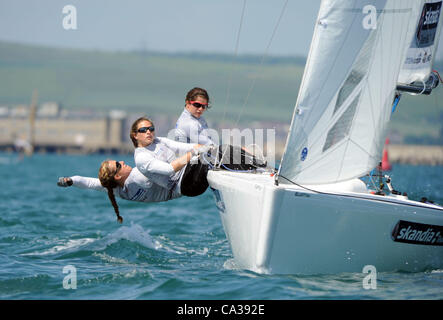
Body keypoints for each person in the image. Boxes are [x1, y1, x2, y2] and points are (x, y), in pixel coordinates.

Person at [57, 160, 182, 223]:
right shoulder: (137, 176)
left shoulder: (116, 190)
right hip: (183, 181)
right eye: (118, 165)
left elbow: (88, 182)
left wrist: (71, 181)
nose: (122, 162)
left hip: (180, 190)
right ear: (117, 176)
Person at [130, 117, 214, 199]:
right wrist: (194, 152)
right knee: (217, 155)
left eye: (151, 129)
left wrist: (205, 147)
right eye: (143, 130)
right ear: (135, 135)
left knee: (220, 152)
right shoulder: (141, 157)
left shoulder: (158, 140)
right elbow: (170, 169)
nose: (148, 132)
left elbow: (181, 146)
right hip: (186, 184)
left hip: (190, 169)